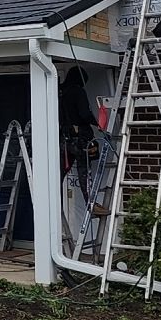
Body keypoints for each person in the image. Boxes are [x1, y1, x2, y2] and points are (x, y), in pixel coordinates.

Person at [59, 65, 108, 215]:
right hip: (81, 139)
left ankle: (52, 202)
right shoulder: (77, 91)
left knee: (59, 173)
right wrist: (97, 124)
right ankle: (91, 204)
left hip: (65, 138)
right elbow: (84, 113)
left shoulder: (60, 92)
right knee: (84, 172)